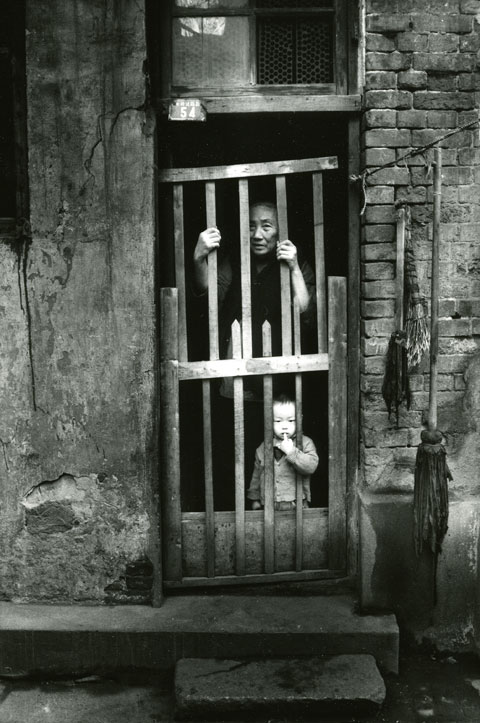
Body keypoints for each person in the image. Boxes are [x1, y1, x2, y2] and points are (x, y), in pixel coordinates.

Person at [193, 200, 316, 369]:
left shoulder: (297, 260)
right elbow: (211, 298)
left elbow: (307, 315)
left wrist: (294, 268)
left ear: (281, 231)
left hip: (282, 367)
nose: (257, 235)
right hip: (236, 364)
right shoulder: (235, 259)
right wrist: (199, 259)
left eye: (266, 227)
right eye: (251, 227)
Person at [247, 393, 319, 510]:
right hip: (269, 504)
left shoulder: (306, 443)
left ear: (299, 419)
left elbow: (311, 466)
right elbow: (257, 474)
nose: (284, 426)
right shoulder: (263, 447)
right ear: (269, 421)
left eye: (291, 420)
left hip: (296, 504)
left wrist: (291, 452)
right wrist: (254, 499)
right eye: (278, 421)